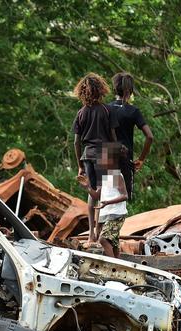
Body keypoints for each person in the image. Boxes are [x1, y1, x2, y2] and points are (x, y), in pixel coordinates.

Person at [72, 73, 119, 242]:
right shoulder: (108, 110)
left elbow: (76, 142)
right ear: (101, 89)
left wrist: (79, 164)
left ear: (82, 92)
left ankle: (91, 233)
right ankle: (100, 233)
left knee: (92, 194)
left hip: (88, 154)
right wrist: (117, 154)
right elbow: (113, 136)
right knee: (105, 193)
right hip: (106, 152)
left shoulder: (81, 113)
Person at [108, 72, 154, 201]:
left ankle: (101, 222)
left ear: (114, 89)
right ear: (131, 91)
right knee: (123, 199)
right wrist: (141, 159)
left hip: (107, 157)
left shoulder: (106, 109)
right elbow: (150, 137)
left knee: (108, 198)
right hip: (125, 157)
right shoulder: (133, 111)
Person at [77, 144, 128, 258]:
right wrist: (88, 187)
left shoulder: (116, 175)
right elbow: (97, 196)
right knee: (113, 243)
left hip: (116, 213)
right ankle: (119, 266)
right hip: (107, 214)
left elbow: (125, 196)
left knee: (103, 240)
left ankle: (113, 265)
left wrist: (107, 203)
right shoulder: (104, 177)